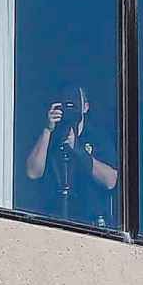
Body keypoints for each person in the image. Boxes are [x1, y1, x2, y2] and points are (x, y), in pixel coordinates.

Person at [25, 82, 118, 226]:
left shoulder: (98, 137)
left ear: (85, 107)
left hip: (91, 224)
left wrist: (78, 150)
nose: (70, 108)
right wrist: (47, 130)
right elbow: (33, 172)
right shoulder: (50, 137)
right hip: (54, 221)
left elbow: (110, 181)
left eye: (74, 102)